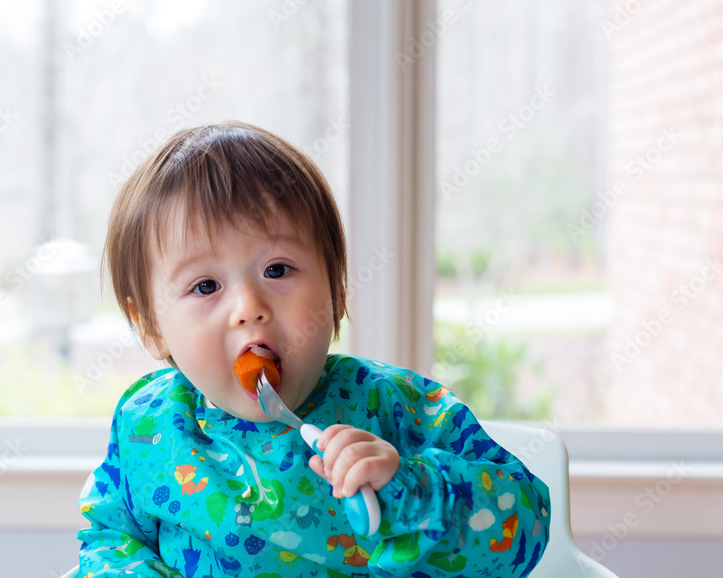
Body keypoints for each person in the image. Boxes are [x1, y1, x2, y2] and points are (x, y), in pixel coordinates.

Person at [77, 121, 550, 577]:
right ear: (151, 327)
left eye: (278, 270)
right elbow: (109, 539)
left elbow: (525, 526)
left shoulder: (393, 406)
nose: (249, 308)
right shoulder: (148, 424)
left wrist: (411, 490)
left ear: (336, 292)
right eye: (205, 286)